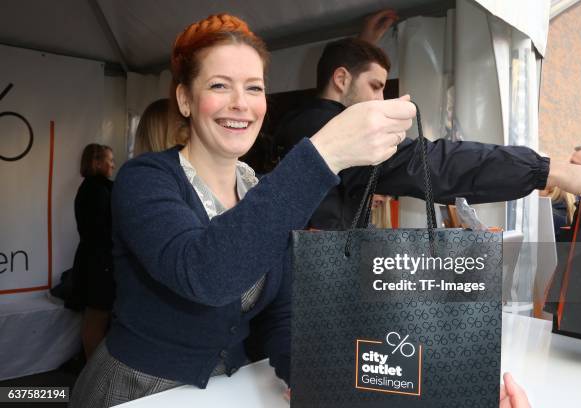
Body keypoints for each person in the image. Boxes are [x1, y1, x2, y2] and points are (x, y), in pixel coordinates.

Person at [68, 14, 417, 407]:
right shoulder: (145, 180)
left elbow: (280, 313)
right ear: (185, 99)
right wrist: (323, 155)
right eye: (219, 85)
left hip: (230, 389)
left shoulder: (264, 191)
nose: (241, 104)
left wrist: (305, 375)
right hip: (139, 391)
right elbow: (205, 274)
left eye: (254, 88)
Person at [275, 34, 581, 230]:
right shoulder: (337, 133)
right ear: (341, 79)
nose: (380, 99)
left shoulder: (299, 125)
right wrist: (549, 170)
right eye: (375, 87)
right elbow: (435, 163)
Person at [71, 143, 115, 359]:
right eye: (110, 160)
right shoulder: (96, 190)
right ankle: (92, 376)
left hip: (97, 261)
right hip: (99, 264)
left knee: (96, 318)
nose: (113, 165)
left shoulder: (93, 188)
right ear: (97, 162)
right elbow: (101, 231)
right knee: (96, 319)